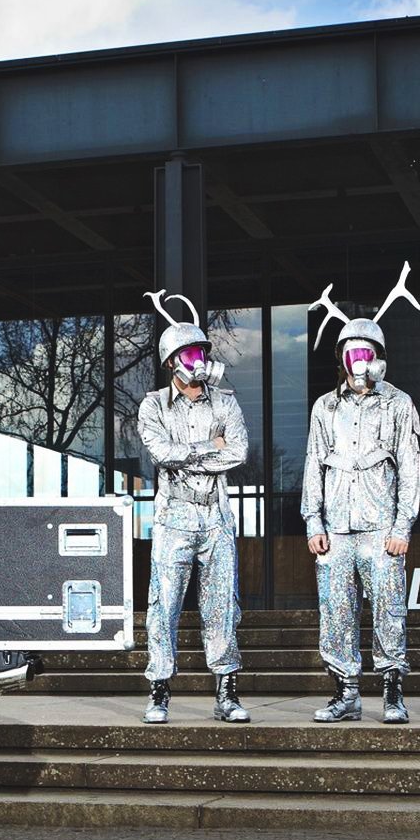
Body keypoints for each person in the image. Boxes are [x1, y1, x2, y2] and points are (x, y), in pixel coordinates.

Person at [300, 262, 420, 724]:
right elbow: (313, 463)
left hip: (380, 530)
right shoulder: (324, 407)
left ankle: (392, 692)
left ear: (378, 356)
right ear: (342, 359)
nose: (358, 363)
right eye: (350, 354)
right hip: (335, 529)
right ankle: (346, 692)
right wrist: (312, 521)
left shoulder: (399, 403)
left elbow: (411, 468)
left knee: (388, 611)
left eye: (365, 354)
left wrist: (402, 526)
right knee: (335, 613)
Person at [137, 289, 250, 724]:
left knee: (222, 604)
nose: (199, 361)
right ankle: (159, 689)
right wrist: (210, 445)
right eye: (189, 354)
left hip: (217, 517)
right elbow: (161, 452)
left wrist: (191, 450)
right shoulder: (152, 406)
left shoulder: (227, 401)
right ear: (172, 363)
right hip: (174, 518)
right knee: (163, 604)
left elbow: (238, 452)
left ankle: (227, 692)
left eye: (202, 351)